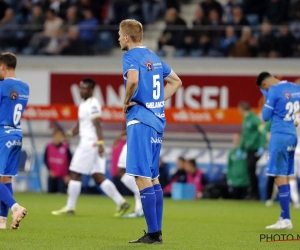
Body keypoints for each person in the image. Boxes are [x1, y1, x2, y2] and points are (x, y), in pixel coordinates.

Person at [118, 19, 182, 244]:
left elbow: (133, 79)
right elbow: (176, 81)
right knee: (153, 178)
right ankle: (156, 232)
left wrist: (126, 101)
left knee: (141, 177)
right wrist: (157, 100)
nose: (118, 38)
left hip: (140, 121)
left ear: (127, 37)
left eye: (119, 34)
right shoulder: (154, 57)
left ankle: (153, 233)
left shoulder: (130, 57)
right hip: (157, 121)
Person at [51, 78, 130, 217]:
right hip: (91, 143)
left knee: (75, 173)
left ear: (91, 90)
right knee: (98, 176)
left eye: (85, 88)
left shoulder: (93, 104)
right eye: (81, 88)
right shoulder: (84, 104)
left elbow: (97, 124)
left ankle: (70, 207)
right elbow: (80, 125)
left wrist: (100, 143)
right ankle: (121, 202)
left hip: (89, 143)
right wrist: (68, 134)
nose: (81, 90)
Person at [256, 71, 300, 229]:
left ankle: (286, 219)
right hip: (292, 136)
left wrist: (268, 98)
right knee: (286, 176)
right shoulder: (295, 87)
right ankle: (283, 217)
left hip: (279, 136)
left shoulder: (273, 91)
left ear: (265, 84)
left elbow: (265, 116)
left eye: (264, 88)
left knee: (278, 176)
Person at [0, 52, 29, 229]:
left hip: (3, 134)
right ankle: (1, 220)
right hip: (17, 134)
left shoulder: (2, 86)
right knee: (6, 179)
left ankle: (15, 207)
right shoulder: (25, 87)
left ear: (3, 66)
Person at [237, 101, 265, 200]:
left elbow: (262, 131)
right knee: (250, 170)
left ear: (241, 109)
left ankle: (256, 194)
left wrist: (262, 145)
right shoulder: (245, 120)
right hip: (249, 149)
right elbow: (244, 136)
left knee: (250, 167)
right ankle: (253, 193)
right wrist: (240, 148)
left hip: (256, 148)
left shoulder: (254, 119)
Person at [115, 129, 144, 218]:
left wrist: (122, 134)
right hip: (135, 141)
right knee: (135, 176)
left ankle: (146, 198)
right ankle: (139, 210)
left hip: (134, 142)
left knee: (121, 172)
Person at [44, 128, 72, 193]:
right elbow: (45, 159)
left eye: (60, 136)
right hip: (52, 176)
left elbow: (70, 161)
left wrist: (69, 175)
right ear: (54, 136)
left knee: (62, 195)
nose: (58, 137)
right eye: (57, 135)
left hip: (63, 177)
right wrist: (49, 170)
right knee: (50, 195)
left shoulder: (66, 147)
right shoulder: (49, 146)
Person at [226, 133, 249, 200]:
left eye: (237, 139)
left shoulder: (246, 151)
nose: (236, 141)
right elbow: (229, 166)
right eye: (234, 139)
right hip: (234, 182)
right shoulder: (231, 153)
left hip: (245, 181)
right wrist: (229, 178)